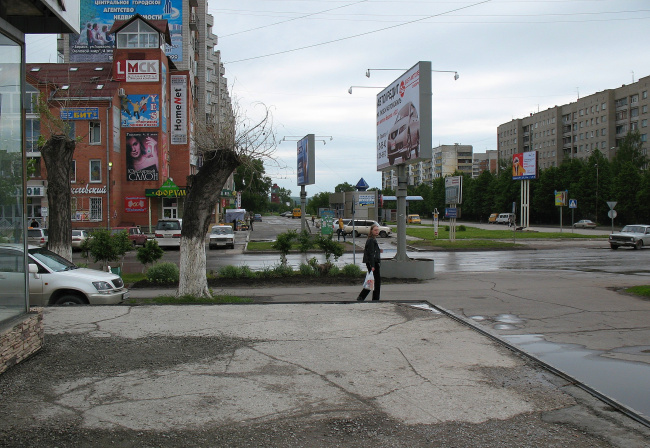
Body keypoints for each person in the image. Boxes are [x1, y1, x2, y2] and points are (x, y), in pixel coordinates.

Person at [357, 223, 381, 301]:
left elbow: (371, 251)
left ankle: (363, 297)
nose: (377, 232)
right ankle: (373, 299)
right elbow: (370, 253)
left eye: (377, 230)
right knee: (376, 282)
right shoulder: (371, 240)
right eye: (375, 230)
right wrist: (372, 265)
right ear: (371, 231)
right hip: (372, 263)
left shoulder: (372, 239)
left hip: (372, 262)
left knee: (372, 281)